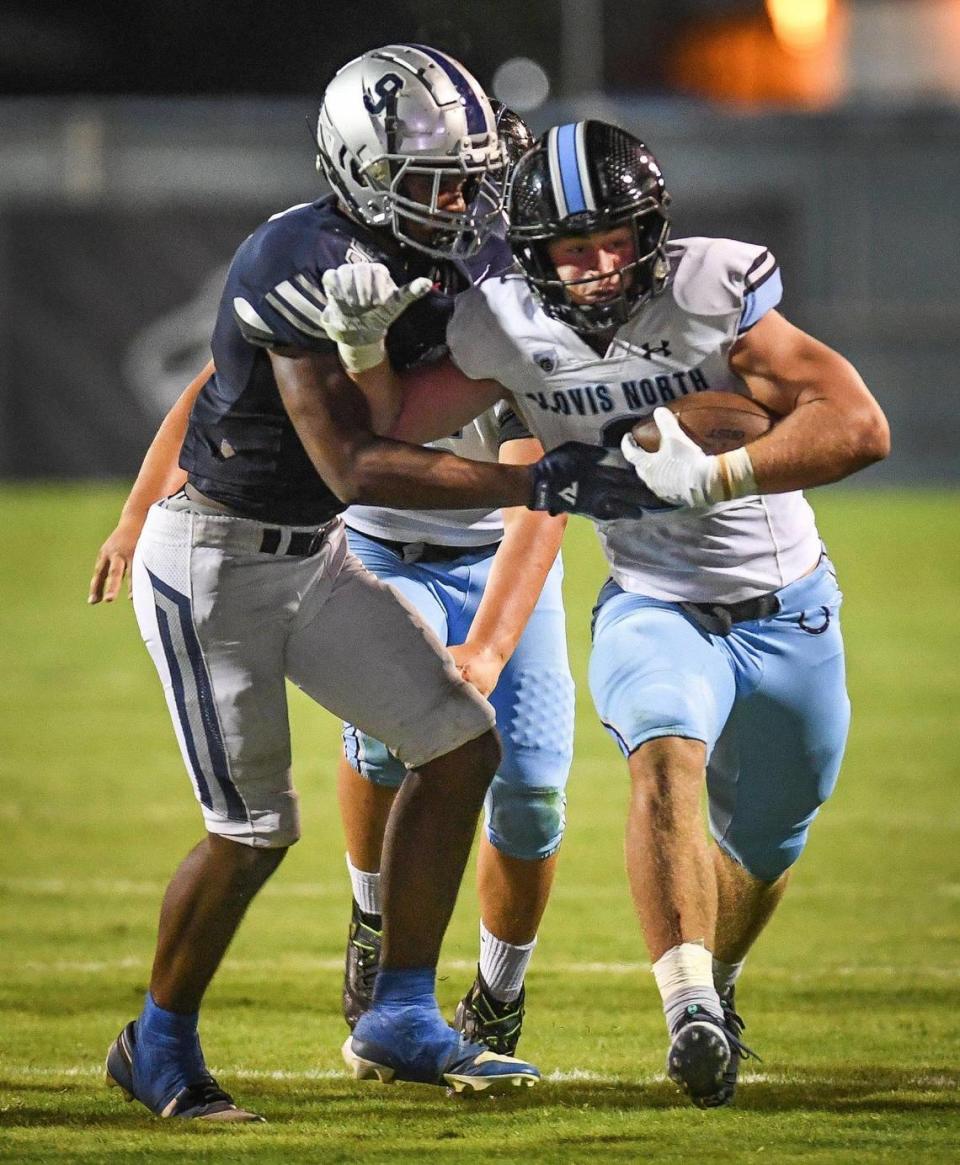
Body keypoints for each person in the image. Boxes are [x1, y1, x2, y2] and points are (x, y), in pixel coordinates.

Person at [89, 53, 644, 1123]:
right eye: (435, 181)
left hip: (312, 556)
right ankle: (154, 1044)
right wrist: (529, 478)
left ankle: (397, 1007)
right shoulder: (292, 258)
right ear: (360, 169)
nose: (460, 203)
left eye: (467, 180)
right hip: (214, 563)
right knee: (252, 831)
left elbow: (444, 391)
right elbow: (355, 462)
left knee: (462, 744)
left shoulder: (462, 245)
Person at [326, 119, 890, 1108]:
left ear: (651, 232)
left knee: (771, 835)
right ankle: (689, 1014)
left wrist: (721, 472)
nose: (594, 267)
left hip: (791, 604)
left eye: (614, 240)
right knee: (661, 758)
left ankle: (717, 979)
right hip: (653, 603)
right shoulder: (505, 323)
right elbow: (389, 425)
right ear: (533, 255)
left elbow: (859, 424)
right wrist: (364, 349)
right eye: (569, 249)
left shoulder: (715, 296)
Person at [335, 101, 573, 1058]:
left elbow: (542, 492)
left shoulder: (532, 301)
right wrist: (147, 504)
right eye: (455, 186)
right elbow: (224, 379)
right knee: (390, 745)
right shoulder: (355, 267)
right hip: (383, 540)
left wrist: (491, 646)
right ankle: (372, 923)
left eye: (484, 187)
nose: (470, 207)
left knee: (534, 794)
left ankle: (499, 995)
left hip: (497, 549)